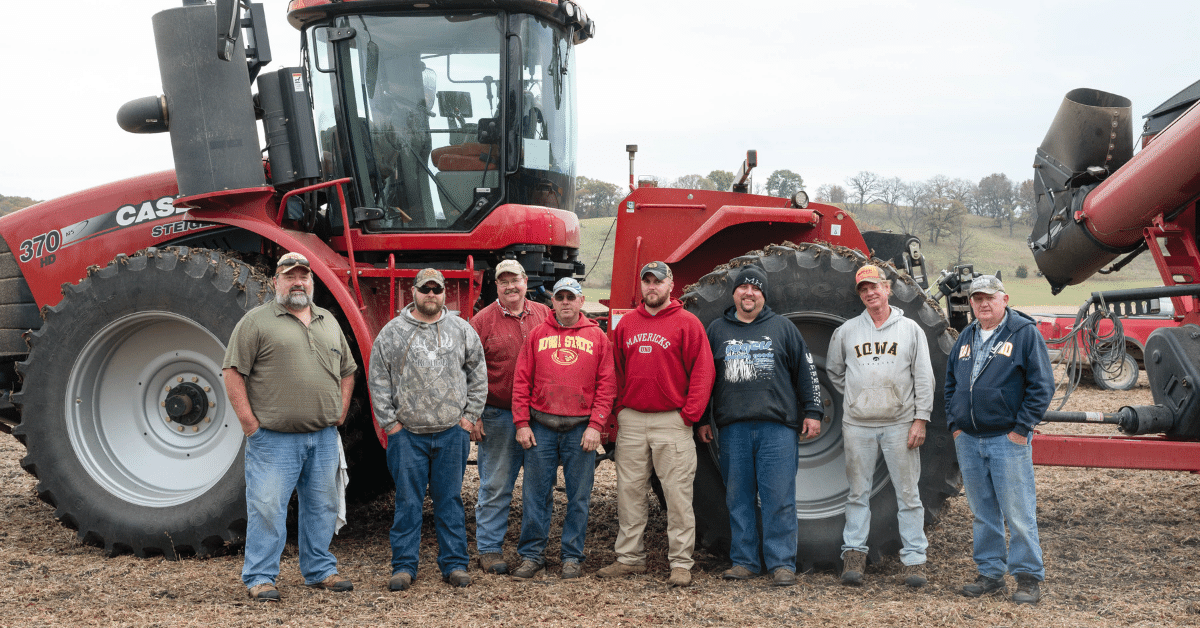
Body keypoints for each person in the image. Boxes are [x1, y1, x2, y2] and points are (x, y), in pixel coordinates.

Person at [223, 252, 357, 602]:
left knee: (323, 506)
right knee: (267, 506)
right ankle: (260, 576)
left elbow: (348, 370)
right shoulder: (256, 322)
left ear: (312, 282)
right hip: (274, 440)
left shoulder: (328, 320)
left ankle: (320, 570)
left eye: (304, 276)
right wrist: (249, 424)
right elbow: (232, 372)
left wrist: (340, 411)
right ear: (275, 282)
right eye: (290, 276)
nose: (298, 282)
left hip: (324, 437)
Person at [699, 265, 823, 587]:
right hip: (734, 430)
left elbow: (806, 371)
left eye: (756, 288)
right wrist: (701, 418)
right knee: (738, 498)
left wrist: (813, 411)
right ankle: (745, 561)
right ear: (735, 293)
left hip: (777, 429)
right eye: (743, 288)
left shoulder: (782, 328)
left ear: (763, 295)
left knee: (778, 497)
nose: (749, 293)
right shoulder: (716, 330)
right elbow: (704, 379)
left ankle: (782, 563)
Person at [596, 262, 714, 587]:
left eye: (657, 282)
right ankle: (629, 558)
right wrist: (619, 410)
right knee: (629, 492)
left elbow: (703, 373)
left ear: (670, 285)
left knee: (677, 495)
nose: (652, 287)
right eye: (647, 282)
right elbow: (615, 369)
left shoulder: (687, 324)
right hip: (633, 419)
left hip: (671, 421)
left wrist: (688, 415)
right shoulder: (628, 324)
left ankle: (680, 562)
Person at [369, 268, 487, 591]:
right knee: (408, 501)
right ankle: (404, 566)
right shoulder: (392, 333)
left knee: (449, 500)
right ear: (413, 292)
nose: (431, 294)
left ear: (445, 292)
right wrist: (390, 425)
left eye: (437, 289)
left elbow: (478, 373)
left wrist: (468, 418)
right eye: (425, 289)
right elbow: (378, 377)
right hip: (407, 436)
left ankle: (455, 564)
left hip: (452, 432)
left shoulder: (462, 331)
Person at [945, 275, 1053, 604]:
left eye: (989, 297)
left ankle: (1027, 577)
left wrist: (1021, 430)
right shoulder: (965, 336)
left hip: (1007, 440)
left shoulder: (1023, 335)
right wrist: (955, 424)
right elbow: (951, 384)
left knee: (1018, 512)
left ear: (1004, 299)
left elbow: (1041, 386)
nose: (983, 303)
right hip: (969, 439)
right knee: (983, 512)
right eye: (977, 298)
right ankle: (990, 573)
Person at [826, 265, 934, 587]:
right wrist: (861, 397)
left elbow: (924, 378)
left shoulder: (911, 330)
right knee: (857, 492)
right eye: (863, 289)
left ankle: (914, 560)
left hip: (900, 424)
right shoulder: (846, 331)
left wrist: (920, 419)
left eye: (875, 286)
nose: (870, 293)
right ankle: (854, 557)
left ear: (887, 288)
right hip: (857, 425)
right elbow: (834, 371)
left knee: (908, 493)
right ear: (860, 295)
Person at [510, 277, 616, 580]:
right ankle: (532, 555)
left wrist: (596, 425)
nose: (566, 302)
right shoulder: (537, 335)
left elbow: (607, 385)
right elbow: (521, 381)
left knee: (579, 497)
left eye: (571, 297)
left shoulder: (597, 337)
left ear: (581, 301)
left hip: (580, 430)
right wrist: (521, 423)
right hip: (540, 427)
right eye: (560, 297)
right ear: (552, 302)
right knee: (535, 494)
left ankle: (572, 556)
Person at [468, 259, 551, 575]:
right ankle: (488, 550)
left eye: (514, 280)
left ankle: (533, 552)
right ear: (496, 285)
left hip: (540, 416)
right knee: (496, 484)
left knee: (538, 486)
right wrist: (473, 415)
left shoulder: (544, 315)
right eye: (503, 281)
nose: (510, 286)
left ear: (525, 280)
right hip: (499, 413)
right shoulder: (482, 322)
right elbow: (469, 370)